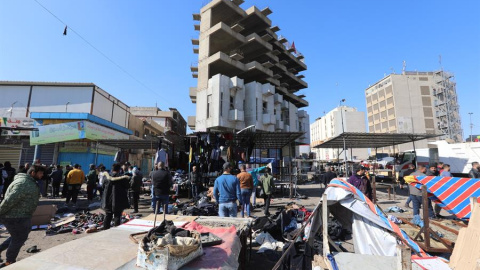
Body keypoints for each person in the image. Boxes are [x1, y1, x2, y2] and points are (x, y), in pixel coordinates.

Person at [0, 165, 44, 267]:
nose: (42, 175)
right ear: (33, 173)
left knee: (18, 236)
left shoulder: (29, 182)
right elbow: (9, 200)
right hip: (15, 216)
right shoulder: (24, 183)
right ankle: (9, 261)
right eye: (40, 173)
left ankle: (3, 252)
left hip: (21, 215)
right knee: (19, 238)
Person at [102, 163, 130, 230]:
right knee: (117, 215)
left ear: (112, 169)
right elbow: (127, 186)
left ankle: (105, 229)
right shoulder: (122, 177)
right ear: (119, 169)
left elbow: (103, 186)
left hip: (107, 199)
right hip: (118, 199)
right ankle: (116, 230)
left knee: (108, 214)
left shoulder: (106, 177)